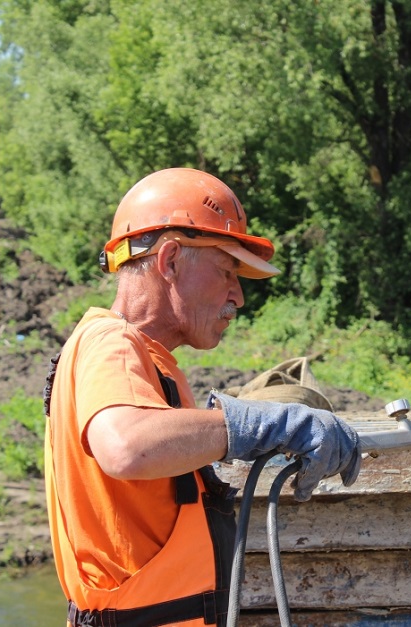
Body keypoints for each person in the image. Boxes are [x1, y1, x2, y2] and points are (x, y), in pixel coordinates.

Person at [43, 168, 362, 627]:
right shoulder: (111, 344)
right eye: (227, 271)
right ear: (170, 260)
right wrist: (266, 424)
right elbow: (127, 446)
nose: (238, 295)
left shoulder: (150, 359)